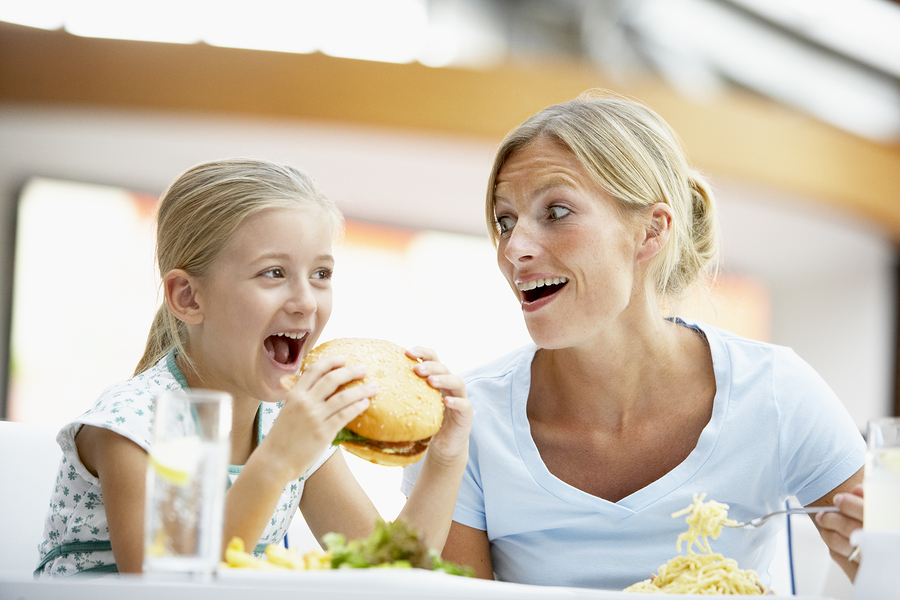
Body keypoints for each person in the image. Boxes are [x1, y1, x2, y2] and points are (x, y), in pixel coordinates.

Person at [402, 90, 865, 590]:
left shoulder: (775, 390)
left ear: (651, 231)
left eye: (556, 212)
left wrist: (877, 557)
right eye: (505, 221)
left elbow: (884, 563)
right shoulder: (468, 425)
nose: (514, 249)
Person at [36, 158, 472, 577]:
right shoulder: (136, 422)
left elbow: (390, 571)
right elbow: (168, 586)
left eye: (321, 274)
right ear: (188, 297)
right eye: (274, 273)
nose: (305, 302)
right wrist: (279, 458)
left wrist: (446, 459)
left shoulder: (286, 421)